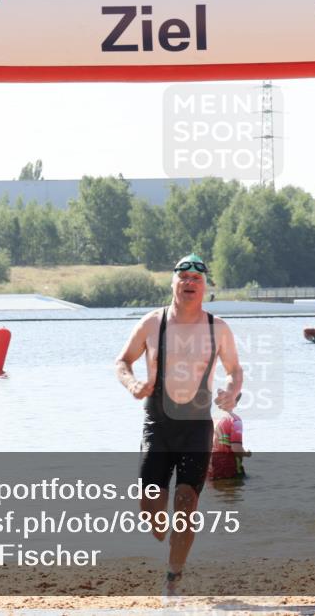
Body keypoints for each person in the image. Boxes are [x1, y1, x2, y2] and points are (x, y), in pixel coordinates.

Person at [115, 253, 243, 596]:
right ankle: (162, 531)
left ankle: (173, 578)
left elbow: (235, 371)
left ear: (205, 287)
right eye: (183, 277)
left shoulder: (219, 329)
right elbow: (123, 361)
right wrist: (131, 384)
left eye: (196, 279)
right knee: (151, 511)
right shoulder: (151, 323)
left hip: (196, 426)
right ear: (173, 283)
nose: (189, 282)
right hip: (158, 423)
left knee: (186, 503)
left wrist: (232, 391)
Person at [209, 409, 250, 480]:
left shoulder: (212, 417)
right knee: (233, 488)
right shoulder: (235, 420)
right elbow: (236, 448)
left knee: (216, 487)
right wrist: (246, 453)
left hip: (211, 464)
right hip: (228, 466)